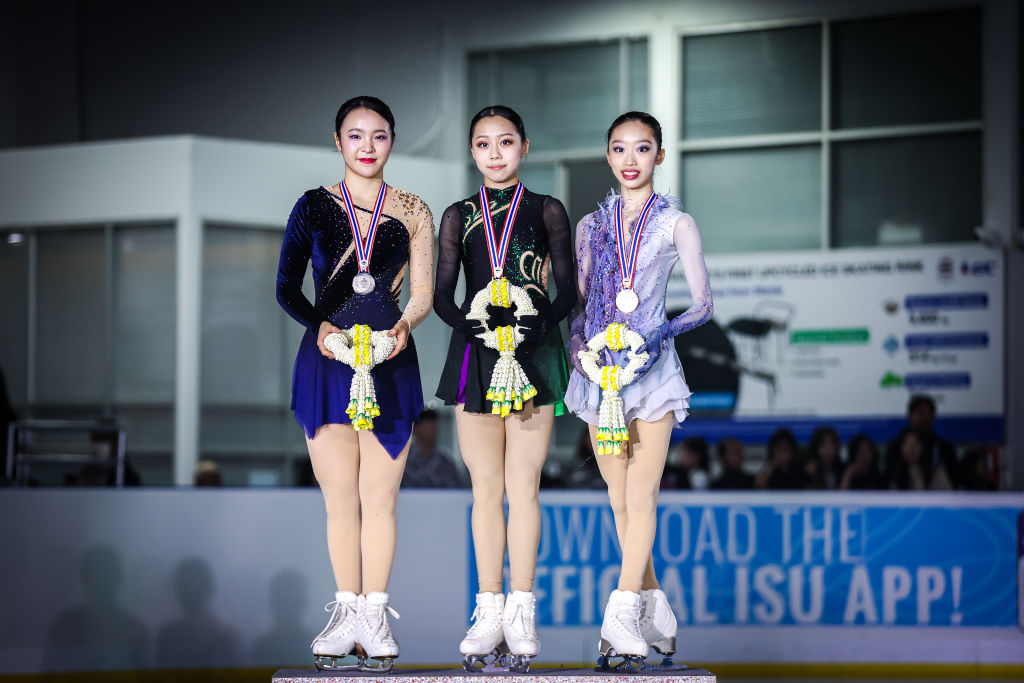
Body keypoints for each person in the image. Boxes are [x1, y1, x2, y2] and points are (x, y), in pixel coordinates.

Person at [275, 96, 434, 671]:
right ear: (337, 141)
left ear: (394, 141)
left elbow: (422, 292)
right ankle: (346, 613)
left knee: (380, 499)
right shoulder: (313, 207)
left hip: (390, 360)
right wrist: (319, 325)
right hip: (327, 360)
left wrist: (404, 326)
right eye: (355, 135)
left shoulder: (413, 209)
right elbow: (287, 287)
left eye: (380, 136)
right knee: (340, 501)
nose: (367, 147)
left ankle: (375, 614)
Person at [565, 111, 712, 667]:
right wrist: (583, 348)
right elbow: (579, 304)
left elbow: (703, 304)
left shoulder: (677, 223)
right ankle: (656, 607)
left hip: (653, 375)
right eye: (620, 149)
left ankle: (621, 612)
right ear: (608, 156)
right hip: (602, 379)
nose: (631, 160)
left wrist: (655, 338)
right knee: (619, 498)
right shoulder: (589, 227)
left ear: (659, 156)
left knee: (642, 492)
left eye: (642, 148)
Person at [433, 105, 574, 672]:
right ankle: (488, 607)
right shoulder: (457, 215)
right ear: (472, 152)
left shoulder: (547, 210)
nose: (496, 153)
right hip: (476, 356)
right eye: (484, 144)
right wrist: (468, 326)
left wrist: (539, 324)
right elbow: (445, 291)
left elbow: (568, 289)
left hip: (534, 353)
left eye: (506, 142)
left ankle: (522, 607)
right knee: (485, 488)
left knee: (524, 486)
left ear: (525, 147)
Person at [886, 394, 960, 488]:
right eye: (920, 413)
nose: (925, 418)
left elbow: (955, 481)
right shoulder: (895, 447)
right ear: (910, 415)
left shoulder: (944, 448)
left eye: (929, 414)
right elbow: (888, 480)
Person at [400, 409, 461, 488]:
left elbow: (457, 492)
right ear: (415, 428)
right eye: (427, 423)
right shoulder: (404, 462)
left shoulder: (446, 462)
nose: (432, 427)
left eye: (434, 423)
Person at [887, 428, 952, 491]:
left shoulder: (937, 473)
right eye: (907, 443)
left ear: (924, 447)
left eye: (916, 443)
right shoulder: (895, 473)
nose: (911, 448)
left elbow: (948, 497)